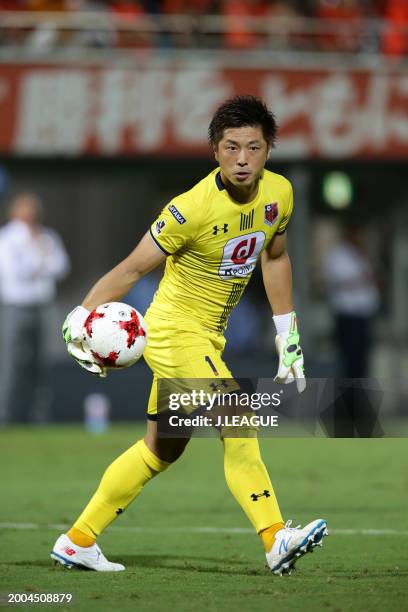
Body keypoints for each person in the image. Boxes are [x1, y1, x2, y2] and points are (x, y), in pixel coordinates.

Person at [51, 96, 327, 575]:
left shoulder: (280, 193)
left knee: (162, 447)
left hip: (208, 338)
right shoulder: (189, 210)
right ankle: (275, 537)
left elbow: (276, 258)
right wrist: (81, 315)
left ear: (269, 150)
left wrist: (288, 332)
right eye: (231, 147)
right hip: (175, 332)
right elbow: (133, 267)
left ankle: (77, 540)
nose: (242, 159)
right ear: (214, 151)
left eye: (253, 148)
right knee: (237, 414)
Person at [0, 192, 70, 423]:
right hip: (15, 307)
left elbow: (61, 266)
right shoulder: (7, 238)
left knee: (42, 362)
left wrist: (38, 264)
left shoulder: (47, 236)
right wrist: (40, 263)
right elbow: (15, 271)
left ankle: (39, 416)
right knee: (11, 362)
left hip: (42, 306)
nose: (31, 215)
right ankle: (6, 414)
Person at [323, 221, 380, 378]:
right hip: (348, 315)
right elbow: (337, 281)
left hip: (364, 314)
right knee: (350, 358)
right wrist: (362, 279)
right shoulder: (338, 255)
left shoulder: (361, 255)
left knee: (363, 360)